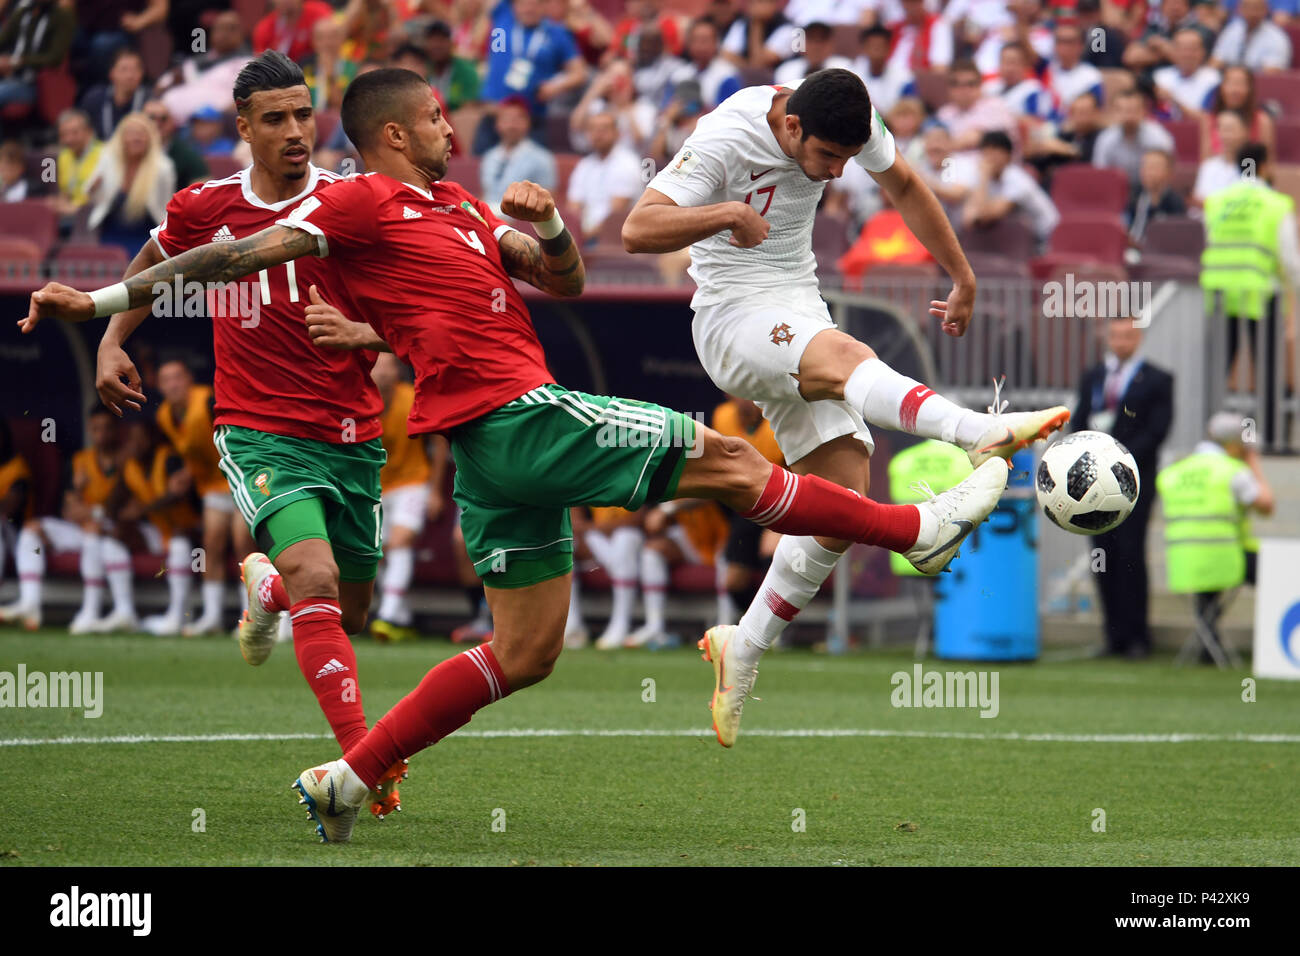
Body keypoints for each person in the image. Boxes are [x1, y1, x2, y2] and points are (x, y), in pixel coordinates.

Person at [24, 68, 1010, 841]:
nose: (456, 131)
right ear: (399, 132)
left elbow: (565, 282)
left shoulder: (459, 206)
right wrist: (105, 307)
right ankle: (914, 531)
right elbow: (237, 254)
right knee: (727, 461)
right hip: (512, 414)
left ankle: (348, 774)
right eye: (440, 120)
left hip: (485, 445)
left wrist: (545, 228)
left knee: (528, 648)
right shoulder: (362, 201)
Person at [622, 69, 1068, 747]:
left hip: (797, 304)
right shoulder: (725, 135)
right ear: (792, 127)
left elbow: (907, 187)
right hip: (731, 317)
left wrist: (962, 274)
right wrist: (724, 212)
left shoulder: (853, 120)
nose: (835, 175)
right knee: (844, 355)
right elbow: (637, 227)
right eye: (828, 158)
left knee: (841, 504)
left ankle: (745, 644)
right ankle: (980, 432)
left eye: (846, 160)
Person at [67, 51, 404, 819]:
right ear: (243, 127)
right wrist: (112, 338)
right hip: (259, 430)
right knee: (321, 581)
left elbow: (412, 307)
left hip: (352, 434)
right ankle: (362, 772)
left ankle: (268, 590)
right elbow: (160, 258)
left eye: (303, 114)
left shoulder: (355, 202)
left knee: (347, 609)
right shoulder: (203, 205)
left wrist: (364, 334)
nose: (295, 131)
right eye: (276, 119)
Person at [1072, 316, 1174, 659]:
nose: (1120, 342)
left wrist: (1119, 461)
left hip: (1134, 482)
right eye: (1115, 335)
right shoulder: (1094, 378)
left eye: (1127, 335)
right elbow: (1080, 420)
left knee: (1131, 554)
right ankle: (1113, 635)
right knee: (1102, 554)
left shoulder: (1158, 379)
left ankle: (1137, 637)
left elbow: (1157, 431)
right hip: (1095, 485)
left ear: (1139, 337)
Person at [0, 408, 136, 633]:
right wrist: (83, 501)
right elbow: (68, 510)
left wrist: (90, 510)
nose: (100, 434)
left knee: (94, 528)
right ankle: (30, 603)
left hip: (113, 529)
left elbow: (121, 510)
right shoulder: (80, 461)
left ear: (117, 431)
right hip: (82, 527)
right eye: (95, 428)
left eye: (106, 428)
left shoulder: (128, 461)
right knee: (33, 528)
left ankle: (91, 611)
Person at [1201, 142, 1299, 450]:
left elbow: (1207, 242)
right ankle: (1269, 438)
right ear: (1266, 165)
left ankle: (1210, 436)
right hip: (1261, 294)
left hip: (1219, 293)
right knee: (1267, 370)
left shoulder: (1217, 201)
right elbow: (1289, 259)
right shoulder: (1275, 203)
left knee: (1215, 371)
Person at [1157, 411, 1274, 661]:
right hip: (1226, 560)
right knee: (1279, 575)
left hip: (1182, 564)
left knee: (1206, 582)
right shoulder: (1233, 471)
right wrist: (1254, 463)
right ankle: (1276, 646)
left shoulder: (1173, 473)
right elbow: (1266, 506)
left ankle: (1208, 648)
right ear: (1234, 445)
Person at [369, 352, 446, 642]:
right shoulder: (359, 400)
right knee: (376, 551)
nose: (383, 372)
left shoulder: (413, 398)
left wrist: (436, 490)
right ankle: (402, 618)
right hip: (375, 487)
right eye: (377, 366)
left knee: (399, 542)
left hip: (413, 483)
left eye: (388, 366)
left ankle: (387, 615)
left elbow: (439, 442)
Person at [116, 418, 198, 635]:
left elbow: (180, 495)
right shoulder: (130, 466)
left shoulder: (168, 458)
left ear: (151, 439)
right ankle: (123, 611)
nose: (135, 444)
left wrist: (143, 509)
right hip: (160, 532)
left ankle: (178, 615)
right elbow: (115, 506)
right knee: (113, 537)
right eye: (130, 439)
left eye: (140, 439)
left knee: (180, 543)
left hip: (191, 532)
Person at [475, 0, 588, 154]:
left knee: (530, 174)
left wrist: (555, 87)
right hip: (494, 116)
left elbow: (580, 73)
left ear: (544, 6)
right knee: (480, 171)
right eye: (523, 3)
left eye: (534, 3)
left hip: (531, 121)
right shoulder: (502, 18)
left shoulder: (556, 33)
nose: (528, 9)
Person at [85, 112, 176, 258]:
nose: (136, 138)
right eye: (131, 134)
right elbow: (92, 196)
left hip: (147, 236)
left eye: (141, 134)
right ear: (121, 138)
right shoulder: (108, 159)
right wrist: (93, 188)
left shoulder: (163, 167)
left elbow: (167, 204)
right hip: (110, 234)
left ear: (150, 138)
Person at [962, 129, 1060, 244]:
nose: (989, 159)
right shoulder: (984, 176)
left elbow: (986, 216)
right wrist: (983, 179)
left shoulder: (1018, 179)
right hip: (1022, 239)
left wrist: (984, 178)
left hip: (1049, 237)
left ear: (1008, 156)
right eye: (986, 153)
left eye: (995, 153)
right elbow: (968, 219)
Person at [566, 110, 643, 239]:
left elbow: (615, 216)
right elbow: (573, 207)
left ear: (617, 133)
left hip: (617, 236)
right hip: (584, 235)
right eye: (593, 129)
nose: (598, 134)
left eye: (604, 129)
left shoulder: (628, 164)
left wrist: (581, 237)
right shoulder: (584, 165)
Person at [0, 0, 73, 129]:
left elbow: (55, 58)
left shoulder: (61, 16)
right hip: (7, 76)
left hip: (33, 83)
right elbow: (3, 39)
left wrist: (17, 62)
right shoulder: (23, 12)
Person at [480, 94, 556, 211]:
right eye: (506, 119)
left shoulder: (542, 158)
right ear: (497, 124)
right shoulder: (489, 157)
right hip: (489, 220)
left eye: (517, 119)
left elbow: (549, 203)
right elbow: (486, 194)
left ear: (528, 122)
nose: (511, 125)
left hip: (521, 222)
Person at [1092, 87, 1176, 188]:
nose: (1128, 116)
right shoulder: (1105, 138)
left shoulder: (1159, 137)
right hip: (1115, 191)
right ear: (1113, 112)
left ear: (1143, 111)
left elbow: (1167, 176)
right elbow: (1100, 175)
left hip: (1150, 191)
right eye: (1121, 110)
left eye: (1133, 110)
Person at [935, 59, 1016, 154]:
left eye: (970, 84)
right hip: (952, 165)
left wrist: (949, 146)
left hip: (991, 166)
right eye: (956, 84)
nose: (963, 89)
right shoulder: (944, 113)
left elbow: (975, 138)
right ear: (949, 88)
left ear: (980, 85)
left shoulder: (995, 106)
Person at [1201, 65, 1276, 162]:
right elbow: (1205, 162)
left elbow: (1267, 165)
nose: (1235, 90)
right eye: (1230, 83)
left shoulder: (1262, 121)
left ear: (1250, 88)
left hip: (1250, 174)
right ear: (1221, 87)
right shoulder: (1209, 120)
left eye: (1241, 84)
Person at [666, 17, 740, 113]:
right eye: (695, 40)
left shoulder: (727, 75)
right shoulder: (678, 75)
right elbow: (666, 107)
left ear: (716, 43)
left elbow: (729, 115)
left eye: (704, 41)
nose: (700, 46)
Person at [79, 48, 150, 141]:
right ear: (111, 73)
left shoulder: (149, 100)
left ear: (142, 73)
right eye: (124, 70)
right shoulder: (95, 99)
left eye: (135, 70)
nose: (130, 76)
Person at [1153, 28, 1220, 119]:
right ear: (1174, 51)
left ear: (1202, 52)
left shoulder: (1213, 79)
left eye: (1193, 49)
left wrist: (1174, 101)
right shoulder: (1161, 77)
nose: (1187, 54)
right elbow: (1160, 117)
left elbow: (1207, 119)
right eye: (1182, 49)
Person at [850, 25, 915, 118]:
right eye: (872, 46)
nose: (876, 50)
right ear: (864, 48)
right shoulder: (852, 75)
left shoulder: (904, 77)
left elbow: (909, 109)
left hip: (893, 127)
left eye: (880, 46)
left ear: (889, 48)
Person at [142, 99, 210, 188]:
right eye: (151, 118)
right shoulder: (130, 150)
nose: (157, 123)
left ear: (172, 122)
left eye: (163, 119)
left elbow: (203, 188)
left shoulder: (187, 154)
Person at [1211, 0, 1293, 72]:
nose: (1252, 13)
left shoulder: (1277, 37)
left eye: (1256, 8)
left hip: (1259, 86)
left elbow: (1272, 73)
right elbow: (1215, 62)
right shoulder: (1232, 30)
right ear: (1240, 9)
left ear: (1266, 10)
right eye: (1247, 7)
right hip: (1230, 82)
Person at [1043, 21, 1104, 113]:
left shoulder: (1091, 76)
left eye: (1069, 42)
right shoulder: (1045, 70)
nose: (1063, 47)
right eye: (1059, 41)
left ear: (1081, 46)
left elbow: (1095, 112)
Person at [1127, 148, 1187, 243]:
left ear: (1169, 172)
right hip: (1132, 249)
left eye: (1154, 167)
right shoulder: (1135, 195)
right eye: (1144, 167)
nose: (1148, 172)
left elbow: (1177, 238)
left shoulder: (1175, 203)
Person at [53, 109, 103, 218]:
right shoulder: (64, 156)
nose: (68, 139)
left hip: (96, 215)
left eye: (74, 133)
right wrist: (59, 204)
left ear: (89, 132)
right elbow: (65, 193)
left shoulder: (105, 154)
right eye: (63, 134)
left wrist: (76, 208)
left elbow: (102, 197)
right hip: (71, 216)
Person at [1192, 109, 1248, 207]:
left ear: (1244, 132)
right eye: (1220, 129)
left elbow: (1251, 199)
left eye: (1230, 129)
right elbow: (1200, 200)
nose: (1225, 135)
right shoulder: (1208, 166)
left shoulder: (1250, 165)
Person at [424, 18, 481, 113]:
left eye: (441, 40)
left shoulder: (466, 71)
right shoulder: (423, 69)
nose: (437, 45)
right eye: (433, 40)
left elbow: (469, 106)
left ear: (451, 43)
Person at [773, 20, 853, 86]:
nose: (816, 46)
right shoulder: (786, 70)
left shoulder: (846, 68)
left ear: (831, 44)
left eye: (822, 40)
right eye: (811, 39)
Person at [253, 0, 335, 63]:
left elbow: (335, 38)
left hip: (314, 71)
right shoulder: (264, 27)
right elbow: (261, 64)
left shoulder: (318, 12)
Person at [888, 0, 954, 74]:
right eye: (907, 2)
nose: (912, 6)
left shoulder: (938, 25)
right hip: (888, 79)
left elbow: (940, 68)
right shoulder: (893, 28)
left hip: (917, 80)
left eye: (916, 2)